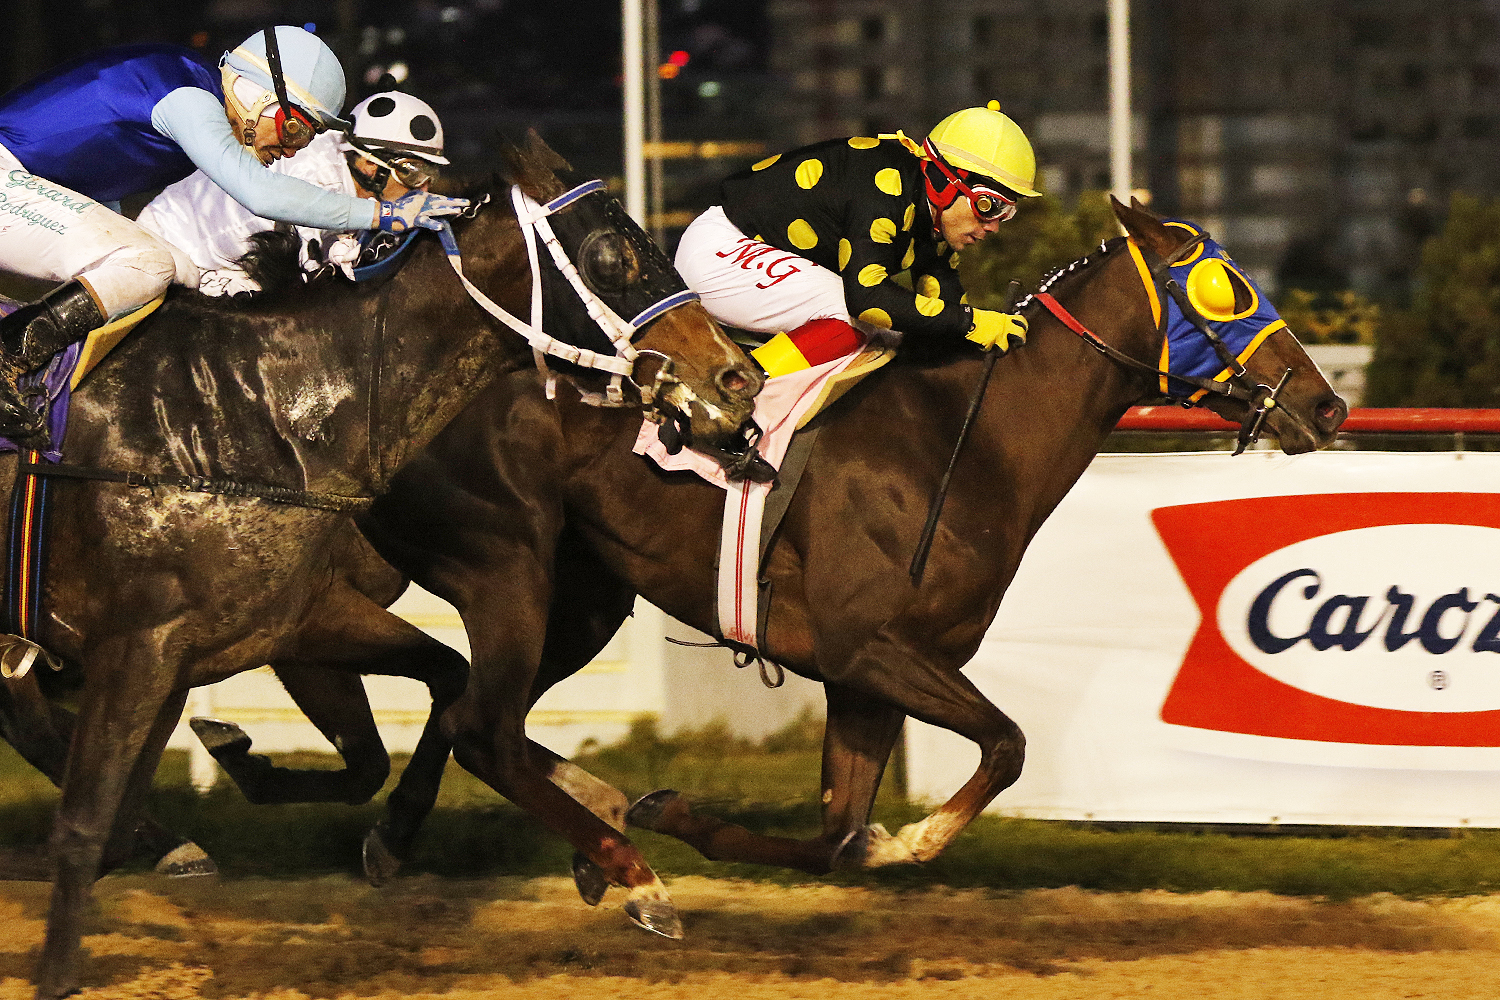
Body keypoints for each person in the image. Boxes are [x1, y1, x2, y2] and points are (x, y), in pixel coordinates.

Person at [0, 26, 468, 441]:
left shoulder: (192, 90)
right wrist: (385, 215)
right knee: (148, 263)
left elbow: (101, 184)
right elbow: (259, 193)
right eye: (293, 130)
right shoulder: (188, 95)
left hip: (22, 182)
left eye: (306, 139)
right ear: (259, 95)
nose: (292, 151)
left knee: (177, 272)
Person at [674, 101, 1038, 378]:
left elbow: (944, 314)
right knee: (851, 317)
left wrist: (980, 332)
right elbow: (867, 298)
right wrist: (971, 323)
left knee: (889, 337)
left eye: (1007, 212)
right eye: (988, 206)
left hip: (756, 250)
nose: (994, 226)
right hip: (719, 248)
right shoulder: (885, 194)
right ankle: (735, 388)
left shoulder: (932, 221)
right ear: (943, 183)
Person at [138, 89, 452, 296]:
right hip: (172, 249)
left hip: (231, 257)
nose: (425, 188)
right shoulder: (317, 173)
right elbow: (309, 284)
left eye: (431, 175)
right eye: (414, 173)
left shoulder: (345, 162)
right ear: (372, 165)